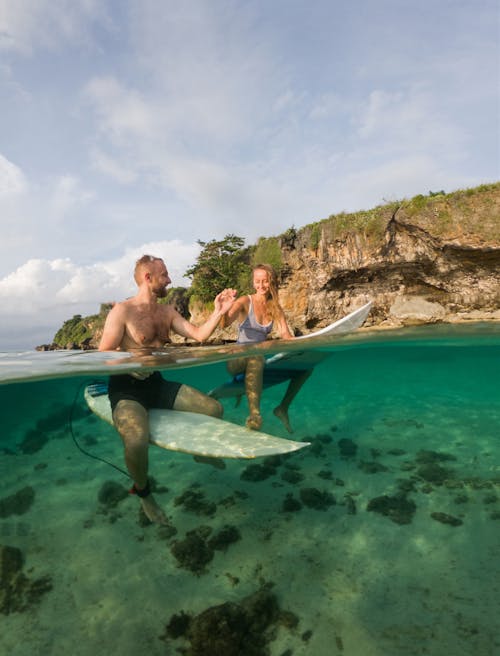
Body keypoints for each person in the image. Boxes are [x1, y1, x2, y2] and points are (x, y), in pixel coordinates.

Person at [98, 254, 237, 525]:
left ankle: (199, 454)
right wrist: (129, 362)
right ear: (148, 278)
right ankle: (144, 494)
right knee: (136, 439)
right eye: (164, 274)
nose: (170, 280)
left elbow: (198, 335)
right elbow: (101, 355)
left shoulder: (167, 312)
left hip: (156, 384)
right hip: (126, 389)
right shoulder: (122, 312)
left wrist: (219, 310)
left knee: (213, 408)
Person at [221, 263, 312, 433]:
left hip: (258, 360)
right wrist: (223, 309)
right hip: (236, 360)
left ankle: (282, 408)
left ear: (272, 282)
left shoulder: (274, 307)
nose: (261, 285)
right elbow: (225, 322)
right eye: (257, 281)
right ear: (253, 282)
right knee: (255, 357)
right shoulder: (244, 302)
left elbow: (286, 335)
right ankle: (255, 416)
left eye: (265, 281)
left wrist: (306, 347)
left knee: (306, 367)